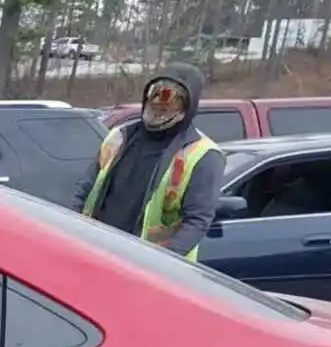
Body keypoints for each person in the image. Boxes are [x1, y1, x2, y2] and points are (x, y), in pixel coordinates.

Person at [74, 63, 227, 260]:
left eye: (172, 98)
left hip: (148, 266)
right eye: (155, 93)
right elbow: (85, 189)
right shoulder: (119, 136)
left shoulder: (203, 155)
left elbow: (197, 222)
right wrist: (73, 231)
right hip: (95, 249)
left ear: (187, 106)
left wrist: (158, 263)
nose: (159, 103)